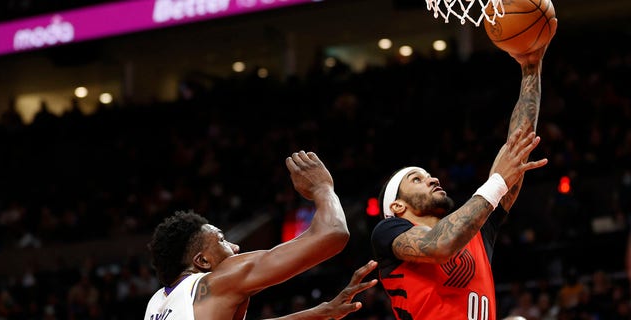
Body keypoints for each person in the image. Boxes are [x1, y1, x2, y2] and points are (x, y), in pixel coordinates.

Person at [369, 20, 558, 320]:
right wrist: (496, 183)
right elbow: (439, 245)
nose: (431, 178)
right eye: (416, 179)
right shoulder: (390, 232)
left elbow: (517, 146)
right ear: (397, 205)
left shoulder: (477, 230)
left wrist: (531, 70)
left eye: (428, 174)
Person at [144, 150, 379, 320]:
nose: (235, 247)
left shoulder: (156, 305)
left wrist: (320, 312)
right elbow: (333, 233)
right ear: (202, 261)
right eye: (222, 240)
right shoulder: (216, 283)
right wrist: (323, 188)